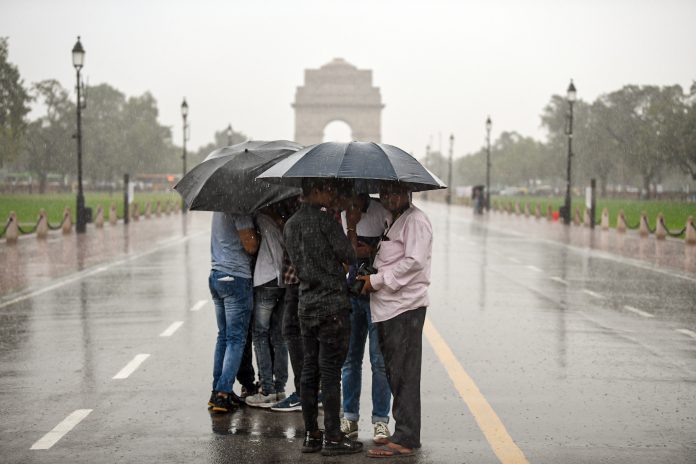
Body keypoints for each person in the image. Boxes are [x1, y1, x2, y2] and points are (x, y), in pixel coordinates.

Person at [283, 178, 363, 456]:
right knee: (330, 374)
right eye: (327, 189)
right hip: (332, 306)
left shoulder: (290, 225)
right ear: (314, 191)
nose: (331, 194)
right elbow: (349, 254)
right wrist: (351, 225)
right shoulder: (326, 221)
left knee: (308, 373)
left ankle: (311, 436)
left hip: (306, 305)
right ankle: (333, 437)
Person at [358, 182, 432, 458]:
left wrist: (377, 280)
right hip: (389, 308)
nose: (389, 197)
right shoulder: (393, 219)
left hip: (405, 308)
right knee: (395, 373)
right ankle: (403, 432)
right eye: (385, 192)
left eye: (395, 192)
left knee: (405, 375)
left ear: (408, 193)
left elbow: (414, 262)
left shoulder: (416, 221)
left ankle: (407, 438)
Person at [339, 194, 392, 444]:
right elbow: (343, 258)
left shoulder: (383, 212)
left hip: (377, 296)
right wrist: (350, 225)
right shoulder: (341, 214)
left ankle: (381, 421)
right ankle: (349, 418)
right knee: (350, 360)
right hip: (350, 296)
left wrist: (370, 250)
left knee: (379, 361)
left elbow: (391, 252)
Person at [207, 211, 259, 413]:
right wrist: (258, 234)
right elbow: (250, 245)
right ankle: (223, 393)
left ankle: (217, 390)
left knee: (224, 337)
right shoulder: (238, 207)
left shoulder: (218, 208)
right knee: (236, 338)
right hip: (236, 277)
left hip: (217, 275)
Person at [245, 207, 289, 408]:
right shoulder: (282, 217)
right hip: (282, 280)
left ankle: (267, 390)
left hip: (265, 279)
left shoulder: (260, 218)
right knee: (279, 337)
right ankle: (280, 388)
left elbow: (251, 247)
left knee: (260, 335)